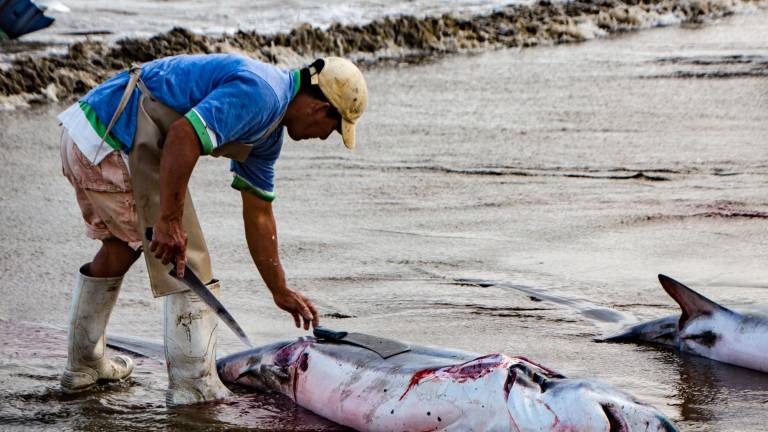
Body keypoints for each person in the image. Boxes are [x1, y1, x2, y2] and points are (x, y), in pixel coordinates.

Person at [56, 54, 368, 405]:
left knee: (122, 247)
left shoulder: (268, 134)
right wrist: (170, 220)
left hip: (85, 136)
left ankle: (84, 365)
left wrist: (278, 289)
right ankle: (194, 387)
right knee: (184, 259)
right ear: (320, 108)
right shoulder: (263, 93)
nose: (326, 137)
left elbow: (259, 211)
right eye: (334, 128)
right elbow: (183, 135)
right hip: (112, 139)